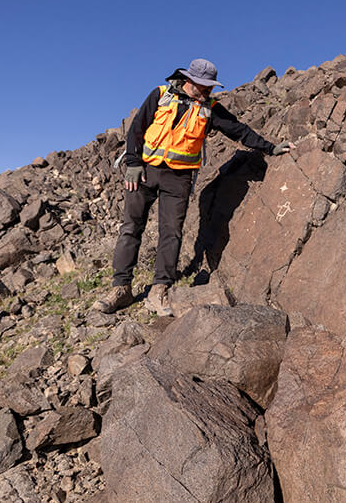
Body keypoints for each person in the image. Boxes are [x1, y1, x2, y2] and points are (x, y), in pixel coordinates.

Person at [93, 58, 294, 316]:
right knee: (131, 228)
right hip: (144, 171)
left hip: (179, 179)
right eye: (205, 86)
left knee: (171, 233)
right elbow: (136, 129)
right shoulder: (161, 94)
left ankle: (159, 290)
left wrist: (271, 148)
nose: (209, 90)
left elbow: (239, 131)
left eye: (211, 86)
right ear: (190, 81)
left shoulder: (210, 108)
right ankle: (121, 288)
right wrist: (132, 162)